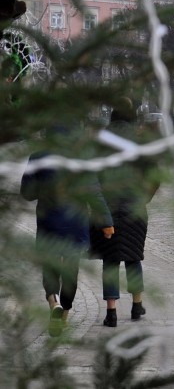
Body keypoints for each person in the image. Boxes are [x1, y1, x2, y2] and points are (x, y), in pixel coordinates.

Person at [20, 124, 114, 337]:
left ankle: (54, 304)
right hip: (75, 224)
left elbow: (26, 193)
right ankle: (63, 317)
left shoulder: (38, 157)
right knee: (71, 271)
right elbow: (95, 193)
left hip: (48, 224)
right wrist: (107, 222)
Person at [91, 102, 160, 327]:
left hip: (107, 208)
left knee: (110, 259)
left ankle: (111, 312)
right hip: (135, 208)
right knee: (133, 256)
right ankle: (136, 304)